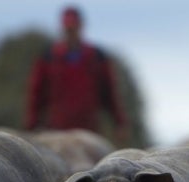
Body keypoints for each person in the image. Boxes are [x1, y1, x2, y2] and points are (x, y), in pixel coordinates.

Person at [24, 5, 127, 144]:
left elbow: (110, 93)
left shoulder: (97, 57)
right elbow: (36, 94)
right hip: (57, 133)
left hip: (90, 132)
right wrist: (32, 125)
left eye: (74, 27)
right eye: (68, 28)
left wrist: (119, 123)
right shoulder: (48, 57)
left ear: (81, 26)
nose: (71, 32)